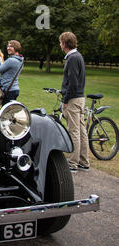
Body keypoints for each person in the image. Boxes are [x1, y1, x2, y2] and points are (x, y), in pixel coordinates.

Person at [59, 31, 89, 173]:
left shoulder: (72, 58)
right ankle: (84, 160)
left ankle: (73, 163)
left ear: (64, 43)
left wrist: (65, 99)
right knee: (81, 130)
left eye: (60, 42)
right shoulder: (79, 56)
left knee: (74, 131)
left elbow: (72, 82)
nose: (60, 45)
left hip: (73, 98)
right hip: (80, 97)